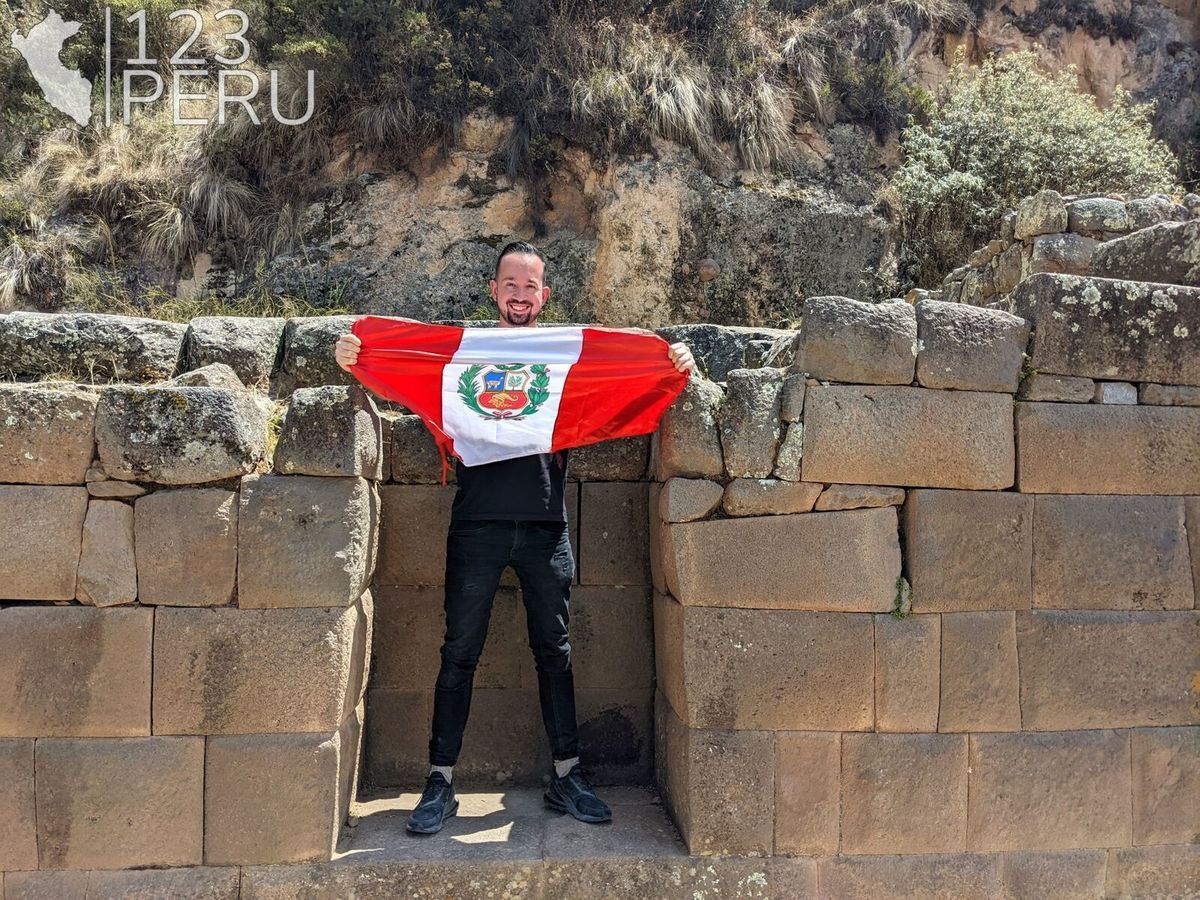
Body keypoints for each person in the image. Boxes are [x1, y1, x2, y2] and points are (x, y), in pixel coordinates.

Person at [335, 240, 696, 834]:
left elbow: (629, 383)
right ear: (493, 290)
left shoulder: (566, 360)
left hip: (546, 526)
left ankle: (567, 774)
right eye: (510, 284)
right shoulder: (465, 353)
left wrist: (674, 361)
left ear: (544, 296)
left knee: (555, 654)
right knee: (459, 654)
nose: (520, 295)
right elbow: (401, 363)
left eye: (530, 286)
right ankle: (440, 781)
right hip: (476, 525)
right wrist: (356, 354)